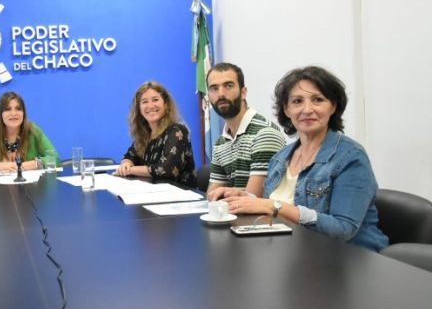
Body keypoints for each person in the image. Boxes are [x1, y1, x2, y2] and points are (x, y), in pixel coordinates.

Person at [222, 66, 389, 252]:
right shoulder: (280, 158)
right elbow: (274, 207)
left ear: (333, 106)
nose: (307, 109)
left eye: (318, 100)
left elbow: (343, 229)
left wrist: (274, 206)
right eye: (297, 101)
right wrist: (247, 199)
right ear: (286, 109)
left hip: (350, 259)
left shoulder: (351, 157)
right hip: (295, 253)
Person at [205, 62, 285, 200]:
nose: (221, 94)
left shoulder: (265, 134)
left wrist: (221, 199)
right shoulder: (221, 142)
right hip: (234, 211)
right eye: (214, 88)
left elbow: (253, 201)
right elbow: (212, 197)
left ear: (243, 92)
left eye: (228, 86)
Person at [116, 81, 196, 187]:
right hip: (152, 192)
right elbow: (129, 156)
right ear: (139, 109)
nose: (150, 106)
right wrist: (126, 163)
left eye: (155, 100)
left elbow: (165, 170)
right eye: (145, 102)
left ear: (165, 104)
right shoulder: (145, 134)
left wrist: (130, 170)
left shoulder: (177, 131)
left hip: (180, 194)